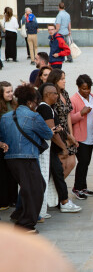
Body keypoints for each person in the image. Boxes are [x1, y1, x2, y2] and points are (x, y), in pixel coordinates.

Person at [0, 84, 53, 233]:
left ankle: (19, 213)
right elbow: (48, 134)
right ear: (30, 102)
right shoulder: (33, 116)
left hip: (10, 159)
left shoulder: (5, 117)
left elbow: (3, 137)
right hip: (27, 157)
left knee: (29, 187)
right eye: (36, 102)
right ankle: (26, 224)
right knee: (36, 189)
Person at [37, 83, 82, 214]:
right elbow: (53, 133)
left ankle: (60, 201)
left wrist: (69, 138)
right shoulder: (44, 109)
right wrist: (64, 148)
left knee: (56, 174)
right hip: (47, 150)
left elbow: (59, 127)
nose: (57, 96)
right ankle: (64, 202)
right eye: (55, 93)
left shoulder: (48, 108)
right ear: (47, 95)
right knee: (56, 174)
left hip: (50, 149)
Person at [47, 69, 78, 179]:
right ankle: (57, 190)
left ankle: (58, 188)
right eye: (62, 79)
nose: (64, 81)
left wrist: (71, 134)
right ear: (55, 80)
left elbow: (68, 114)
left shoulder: (65, 93)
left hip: (67, 131)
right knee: (61, 163)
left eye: (65, 78)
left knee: (71, 163)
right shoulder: (52, 95)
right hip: (58, 132)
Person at [70, 75, 93, 200]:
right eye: (83, 89)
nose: (86, 91)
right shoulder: (74, 99)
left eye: (88, 88)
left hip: (91, 135)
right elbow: (69, 119)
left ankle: (83, 187)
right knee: (82, 162)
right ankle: (76, 188)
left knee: (86, 163)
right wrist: (81, 113)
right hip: (80, 137)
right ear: (78, 87)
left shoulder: (92, 97)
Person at [0, 82, 18, 210]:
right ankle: (3, 201)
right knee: (2, 174)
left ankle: (13, 199)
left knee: (13, 173)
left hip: (13, 144)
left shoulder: (14, 104)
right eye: (7, 92)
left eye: (11, 91)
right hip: (2, 144)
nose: (11, 94)